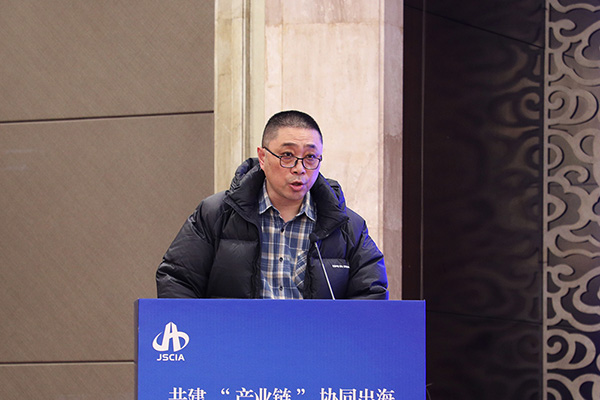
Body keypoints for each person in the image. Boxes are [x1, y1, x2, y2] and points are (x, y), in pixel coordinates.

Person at [156, 110, 388, 299]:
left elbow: (371, 293)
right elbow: (177, 280)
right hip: (235, 340)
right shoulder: (216, 214)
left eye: (310, 157)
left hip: (314, 340)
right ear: (263, 157)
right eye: (287, 155)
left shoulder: (347, 226)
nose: (300, 168)